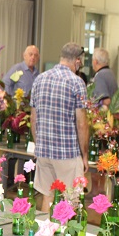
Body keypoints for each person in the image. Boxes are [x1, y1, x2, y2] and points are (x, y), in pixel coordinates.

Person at [30, 42, 89, 212]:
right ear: (77, 61)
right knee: (71, 197)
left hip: (44, 151)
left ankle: (44, 235)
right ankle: (65, 234)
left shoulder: (39, 79)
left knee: (48, 195)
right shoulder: (77, 83)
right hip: (67, 153)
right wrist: (84, 155)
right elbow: (81, 124)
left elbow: (33, 119)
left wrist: (39, 145)